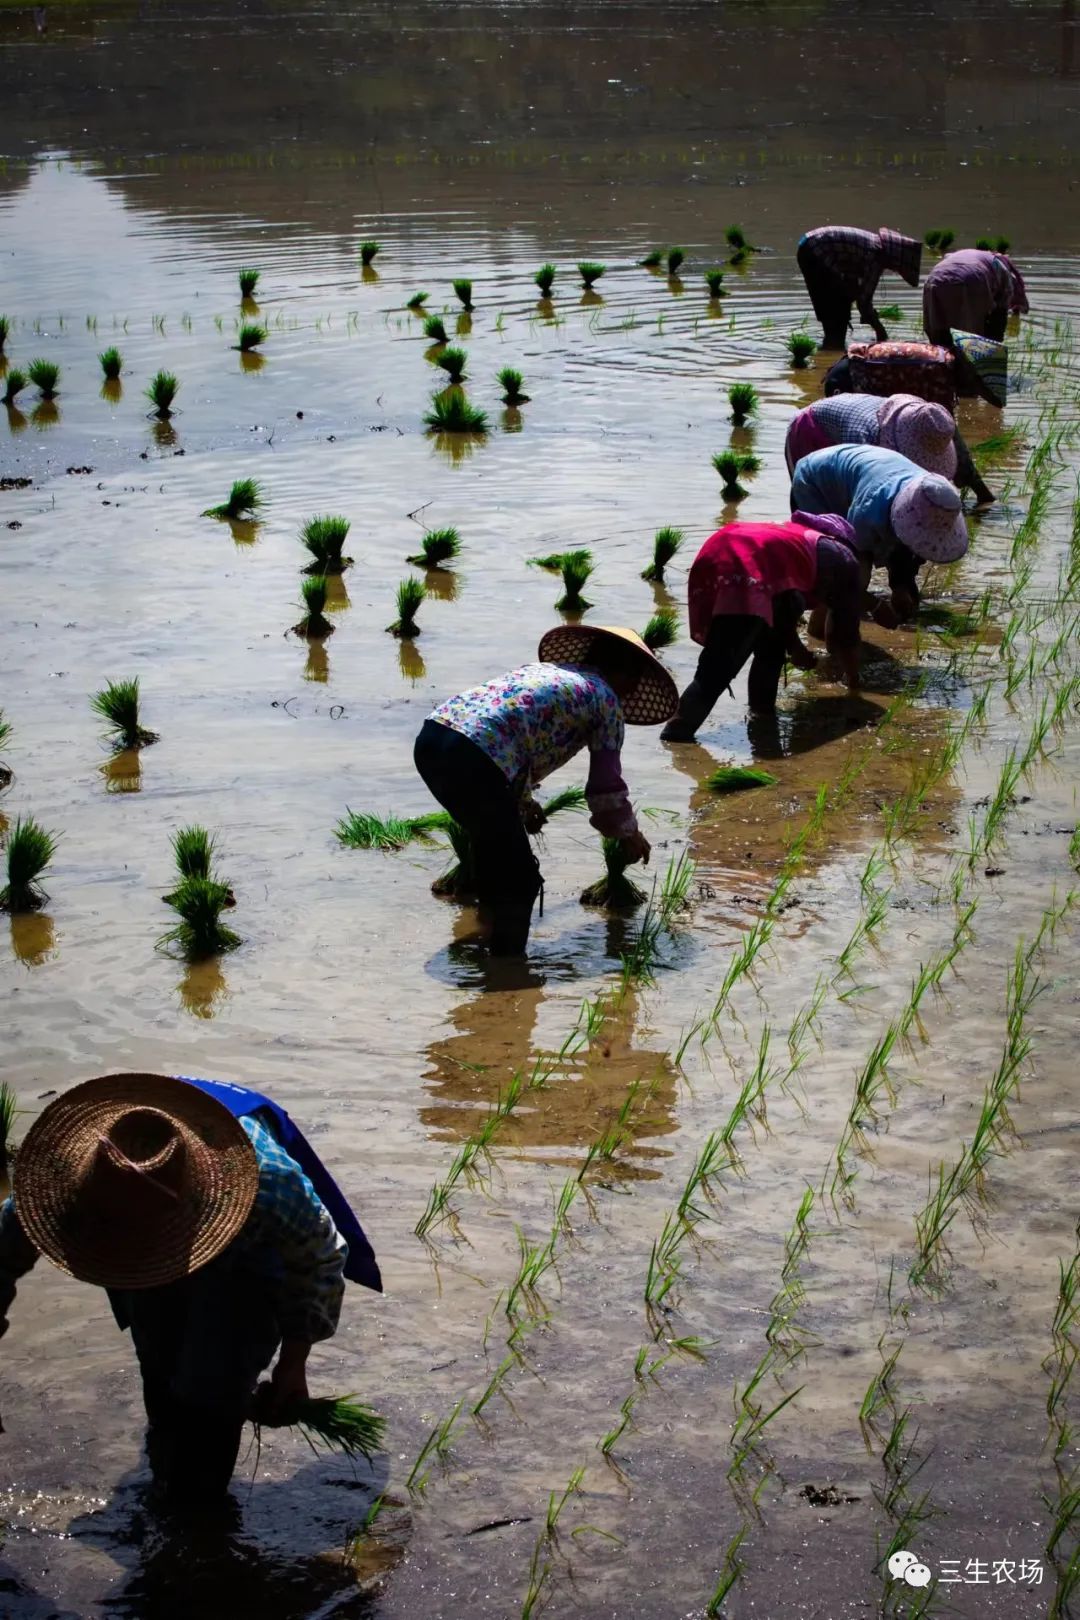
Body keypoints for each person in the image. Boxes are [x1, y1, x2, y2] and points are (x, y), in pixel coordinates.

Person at [0, 1072, 381, 1510]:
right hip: (138, 1215)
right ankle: (167, 1471)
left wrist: (292, 1366)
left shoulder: (265, 1183)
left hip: (244, 1244)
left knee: (215, 1390)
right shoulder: (57, 1182)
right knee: (159, 1364)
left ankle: (202, 1510)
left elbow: (319, 1260)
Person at [414, 626, 677, 956]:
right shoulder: (606, 699)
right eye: (635, 683)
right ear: (628, 676)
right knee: (520, 878)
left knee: (492, 850)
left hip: (432, 740)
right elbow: (604, 789)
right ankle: (508, 969)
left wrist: (523, 805)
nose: (631, 693)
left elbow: (511, 740)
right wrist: (629, 834)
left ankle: (486, 936)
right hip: (477, 758)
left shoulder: (544, 672)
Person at [659, 514, 863, 743]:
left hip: (718, 548)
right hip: (745, 565)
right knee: (718, 666)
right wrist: (854, 682)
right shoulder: (843, 558)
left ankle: (762, 717)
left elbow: (783, 608)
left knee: (770, 646)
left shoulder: (796, 540)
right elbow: (846, 634)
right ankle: (677, 733)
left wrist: (794, 647)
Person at [789, 443, 969, 624]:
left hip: (864, 474)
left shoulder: (932, 498)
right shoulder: (871, 509)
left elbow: (907, 548)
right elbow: (851, 564)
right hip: (815, 481)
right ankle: (812, 626)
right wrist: (875, 606)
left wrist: (900, 587)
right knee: (833, 569)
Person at [796, 225, 922, 348]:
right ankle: (832, 347)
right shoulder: (876, 256)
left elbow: (852, 284)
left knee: (839, 308)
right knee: (835, 312)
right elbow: (864, 301)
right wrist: (880, 330)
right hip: (814, 251)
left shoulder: (872, 247)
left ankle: (831, 347)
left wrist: (856, 302)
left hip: (811, 247)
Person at [785, 392, 957, 480]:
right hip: (810, 428)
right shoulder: (864, 439)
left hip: (843, 419)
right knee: (813, 509)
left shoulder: (918, 421)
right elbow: (858, 487)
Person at [923, 247, 1029, 346]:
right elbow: (999, 316)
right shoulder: (1003, 271)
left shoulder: (961, 255)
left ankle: (938, 356)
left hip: (935, 278)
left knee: (938, 329)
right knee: (971, 339)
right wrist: (994, 342)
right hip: (971, 278)